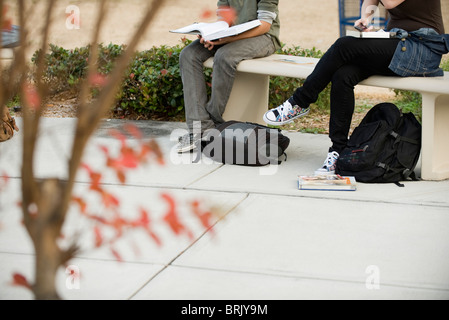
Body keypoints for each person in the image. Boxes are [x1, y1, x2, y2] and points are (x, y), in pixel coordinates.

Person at [263, 0, 449, 175]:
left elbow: (391, 2)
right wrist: (367, 18)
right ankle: (338, 151)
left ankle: (299, 101)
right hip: (397, 42)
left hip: (422, 49)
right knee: (343, 75)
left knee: (344, 45)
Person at [176, 0, 281, 153]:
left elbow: (265, 24)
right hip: (231, 34)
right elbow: (224, 19)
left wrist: (227, 40)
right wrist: (212, 35)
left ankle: (215, 123)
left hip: (264, 37)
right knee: (189, 55)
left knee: (224, 56)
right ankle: (199, 129)